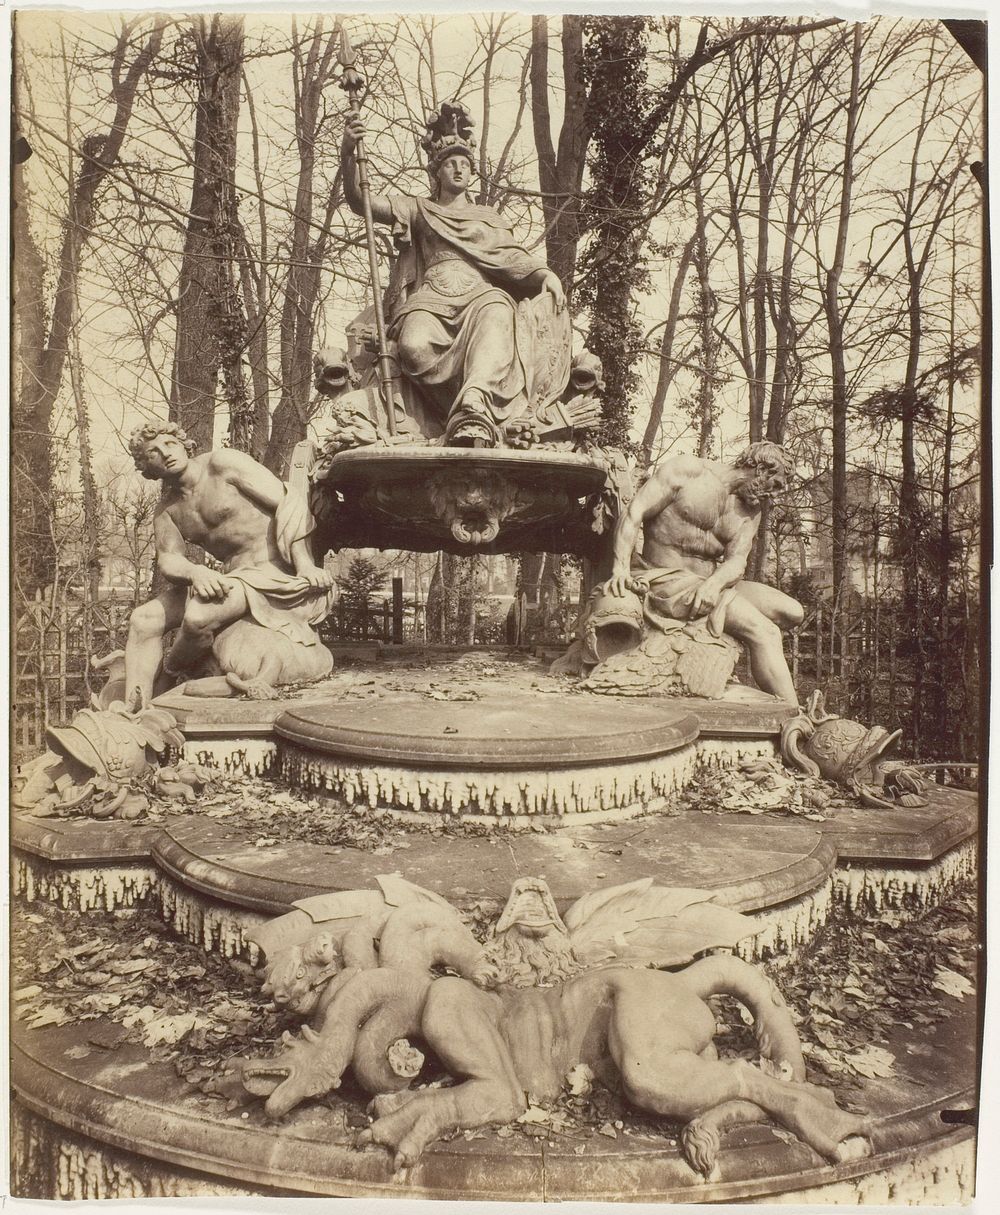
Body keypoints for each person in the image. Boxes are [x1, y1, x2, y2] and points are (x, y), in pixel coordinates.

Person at [341, 102, 566, 447]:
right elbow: (361, 201)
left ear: (472, 172)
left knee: (498, 314)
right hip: (430, 297)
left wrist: (544, 275)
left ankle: (474, 403)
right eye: (450, 164)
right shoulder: (418, 209)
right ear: (437, 171)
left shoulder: (487, 217)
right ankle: (453, 413)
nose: (459, 170)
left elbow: (510, 256)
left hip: (481, 296)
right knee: (412, 346)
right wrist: (347, 151)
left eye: (465, 165)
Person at [123, 422, 334, 705]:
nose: (166, 454)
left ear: (183, 444)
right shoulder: (168, 510)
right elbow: (169, 559)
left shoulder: (223, 464)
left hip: (273, 573)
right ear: (147, 467)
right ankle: (131, 712)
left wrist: (305, 564)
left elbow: (289, 502)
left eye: (169, 445)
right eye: (153, 453)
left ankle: (169, 674)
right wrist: (195, 571)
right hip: (231, 580)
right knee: (143, 620)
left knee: (197, 617)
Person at [604, 442, 803, 702]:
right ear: (760, 469)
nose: (775, 495)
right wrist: (620, 569)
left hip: (708, 582)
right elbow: (634, 513)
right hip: (664, 578)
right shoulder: (688, 471)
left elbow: (737, 561)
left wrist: (714, 584)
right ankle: (794, 718)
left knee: (794, 611)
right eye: (775, 485)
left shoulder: (749, 511)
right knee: (765, 632)